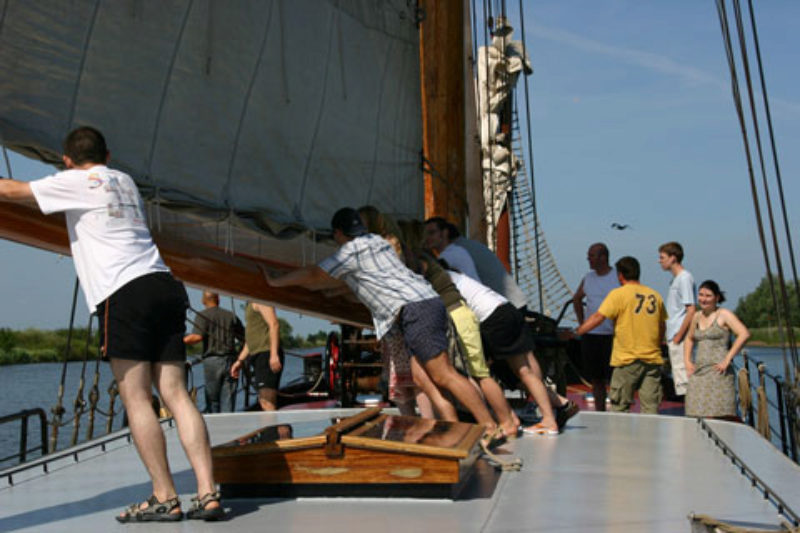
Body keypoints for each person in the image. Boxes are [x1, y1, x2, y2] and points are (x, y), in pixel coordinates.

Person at [0, 126, 222, 521]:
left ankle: (164, 496)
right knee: (176, 394)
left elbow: (10, 192)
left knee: (136, 397)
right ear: (108, 154)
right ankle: (207, 493)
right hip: (164, 284)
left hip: (124, 292)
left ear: (67, 160)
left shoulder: (76, 180)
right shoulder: (124, 181)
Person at [264, 207, 499, 440]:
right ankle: (453, 435)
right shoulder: (377, 242)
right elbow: (348, 282)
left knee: (443, 375)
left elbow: (316, 275)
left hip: (415, 310)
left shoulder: (350, 252)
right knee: (424, 380)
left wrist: (277, 281)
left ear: (338, 233)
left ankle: (488, 427)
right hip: (425, 304)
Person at [446, 266, 577, 434]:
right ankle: (557, 404)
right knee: (515, 371)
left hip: (492, 319)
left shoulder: (441, 280)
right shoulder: (459, 277)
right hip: (507, 309)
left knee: (488, 374)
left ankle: (544, 420)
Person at [416, 251, 521, 438]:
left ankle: (507, 422)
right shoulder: (434, 266)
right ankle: (508, 420)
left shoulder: (422, 263)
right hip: (462, 315)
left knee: (479, 374)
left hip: (458, 316)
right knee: (476, 373)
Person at [577, 256, 667, 414]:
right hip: (652, 360)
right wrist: (656, 346)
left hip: (627, 360)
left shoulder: (618, 294)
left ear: (620, 275)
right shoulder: (655, 296)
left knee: (620, 407)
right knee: (651, 407)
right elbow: (662, 326)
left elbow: (598, 317)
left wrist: (577, 332)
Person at [424, 216, 528, 309]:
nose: (427, 238)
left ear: (445, 233)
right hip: (514, 302)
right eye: (425, 234)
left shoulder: (451, 254)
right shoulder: (467, 245)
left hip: (502, 306)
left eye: (432, 233)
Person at [684, 280, 750, 419]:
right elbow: (689, 338)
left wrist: (727, 359)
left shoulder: (724, 314)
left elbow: (744, 334)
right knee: (693, 413)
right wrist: (687, 362)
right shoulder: (696, 316)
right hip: (699, 372)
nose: (703, 299)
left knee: (719, 416)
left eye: (708, 296)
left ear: (717, 297)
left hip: (719, 373)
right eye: (701, 295)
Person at [572, 243, 619, 411]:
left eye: (591, 256)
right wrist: (582, 323)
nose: (588, 260)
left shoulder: (617, 277)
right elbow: (577, 299)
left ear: (603, 257)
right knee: (596, 378)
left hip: (612, 335)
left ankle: (617, 410)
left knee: (614, 378)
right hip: (592, 335)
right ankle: (600, 411)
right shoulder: (588, 278)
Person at [183, 291, 244, 413]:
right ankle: (228, 428)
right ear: (218, 299)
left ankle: (214, 428)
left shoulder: (202, 315)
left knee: (213, 400)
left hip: (212, 361)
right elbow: (244, 338)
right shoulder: (230, 315)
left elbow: (197, 337)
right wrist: (241, 359)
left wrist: (179, 340)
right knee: (228, 400)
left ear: (203, 300)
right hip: (231, 361)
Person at [229, 302, 283, 411]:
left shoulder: (259, 300)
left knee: (267, 401)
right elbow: (250, 340)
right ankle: (271, 427)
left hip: (266, 353)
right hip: (258, 355)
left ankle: (272, 427)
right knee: (263, 401)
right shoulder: (249, 304)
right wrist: (239, 361)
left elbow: (274, 324)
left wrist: (273, 354)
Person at [658, 241, 696, 397]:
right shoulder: (675, 280)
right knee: (679, 379)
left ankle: (691, 416)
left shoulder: (684, 278)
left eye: (662, 257)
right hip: (673, 336)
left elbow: (691, 309)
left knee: (684, 379)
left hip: (679, 338)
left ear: (673, 258)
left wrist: (679, 336)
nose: (659, 261)